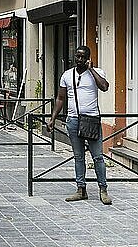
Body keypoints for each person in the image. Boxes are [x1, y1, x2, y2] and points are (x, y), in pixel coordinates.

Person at [47, 46, 111, 205]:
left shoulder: (98, 72)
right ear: (74, 57)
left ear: (89, 58)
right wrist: (53, 118)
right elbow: (60, 98)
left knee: (98, 157)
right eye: (78, 56)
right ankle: (81, 189)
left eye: (83, 57)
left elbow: (104, 87)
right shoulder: (67, 75)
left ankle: (103, 189)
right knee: (78, 157)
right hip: (73, 120)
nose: (80, 60)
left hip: (91, 120)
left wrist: (91, 70)